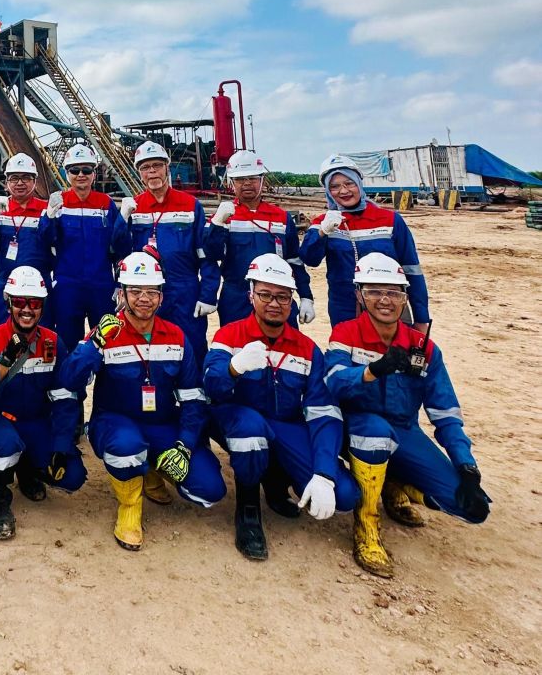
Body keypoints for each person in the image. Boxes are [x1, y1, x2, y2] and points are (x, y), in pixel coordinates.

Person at [325, 254, 490, 579]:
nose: (384, 300)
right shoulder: (345, 334)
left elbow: (445, 412)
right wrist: (372, 371)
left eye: (393, 292)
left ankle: (394, 483)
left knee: (471, 507)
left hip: (403, 431)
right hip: (356, 428)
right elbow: (333, 381)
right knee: (375, 434)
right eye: (374, 291)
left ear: (404, 297)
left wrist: (466, 466)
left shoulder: (423, 348)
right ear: (359, 295)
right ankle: (367, 525)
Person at [58, 251, 224, 551]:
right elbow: (69, 379)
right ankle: (130, 506)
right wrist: (94, 345)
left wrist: (185, 446)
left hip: (162, 424)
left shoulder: (176, 336)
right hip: (115, 422)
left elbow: (193, 398)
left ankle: (152, 470)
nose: (144, 299)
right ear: (121, 294)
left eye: (152, 292)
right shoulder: (106, 333)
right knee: (126, 450)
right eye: (135, 291)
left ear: (161, 297)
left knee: (209, 490)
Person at [205, 254, 359, 561]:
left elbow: (324, 412)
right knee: (251, 432)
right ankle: (248, 510)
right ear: (251, 295)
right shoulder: (229, 336)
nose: (274, 303)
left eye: (283, 296)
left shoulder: (307, 349)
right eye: (265, 295)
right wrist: (233, 368)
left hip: (284, 425)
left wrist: (324, 473)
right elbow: (211, 385)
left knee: (344, 495)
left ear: (292, 301)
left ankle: (276, 483)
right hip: (238, 421)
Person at [0, 265, 85, 540]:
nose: (27, 309)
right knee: (2, 446)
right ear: (9, 303)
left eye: (34, 303)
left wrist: (61, 444)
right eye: (20, 301)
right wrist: (4, 362)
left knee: (72, 475)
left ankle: (27, 469)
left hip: (35, 422)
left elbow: (65, 397)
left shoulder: (53, 342)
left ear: (43, 306)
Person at [301, 154, 430, 331]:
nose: (343, 191)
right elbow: (309, 259)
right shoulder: (323, 222)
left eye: (349, 183)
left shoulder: (390, 220)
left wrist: (421, 318)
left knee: (394, 349)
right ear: (328, 192)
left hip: (388, 305)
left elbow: (412, 270)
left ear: (359, 183)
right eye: (335, 186)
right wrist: (322, 232)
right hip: (344, 307)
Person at [120, 140, 218, 362]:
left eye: (157, 165)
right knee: (150, 350)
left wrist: (208, 294)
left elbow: (206, 254)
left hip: (185, 291)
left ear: (167, 167)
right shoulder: (135, 207)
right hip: (146, 293)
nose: (152, 171)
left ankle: (195, 385)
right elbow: (121, 253)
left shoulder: (190, 205)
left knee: (192, 347)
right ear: (139, 173)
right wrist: (122, 220)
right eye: (145, 167)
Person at [203, 150, 314, 327]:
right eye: (240, 179)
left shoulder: (281, 218)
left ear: (262, 180)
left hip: (277, 296)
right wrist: (217, 224)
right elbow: (211, 254)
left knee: (283, 343)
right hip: (236, 298)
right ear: (231, 182)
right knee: (236, 343)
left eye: (252, 178)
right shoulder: (224, 217)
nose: (247, 183)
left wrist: (306, 296)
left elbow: (294, 260)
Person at [41, 143, 131, 353]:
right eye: (75, 170)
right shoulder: (59, 203)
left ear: (93, 174)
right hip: (67, 286)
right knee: (67, 342)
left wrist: (119, 283)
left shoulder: (105, 204)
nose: (81, 175)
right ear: (67, 173)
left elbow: (120, 248)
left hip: (101, 286)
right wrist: (49, 216)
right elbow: (45, 241)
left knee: (107, 343)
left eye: (86, 170)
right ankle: (71, 376)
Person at [0, 153, 53, 327]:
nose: (20, 183)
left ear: (35, 181)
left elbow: (55, 242)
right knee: (3, 332)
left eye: (26, 178)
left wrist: (51, 218)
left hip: (39, 283)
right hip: (6, 283)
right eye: (14, 178)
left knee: (42, 333)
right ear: (6, 182)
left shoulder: (45, 209)